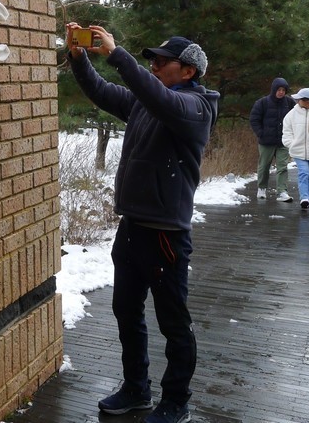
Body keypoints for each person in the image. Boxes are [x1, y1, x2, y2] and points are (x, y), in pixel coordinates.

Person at [66, 24, 219, 423]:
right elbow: (102, 92)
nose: (154, 65)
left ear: (188, 71)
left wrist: (118, 55)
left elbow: (161, 99)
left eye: (163, 61)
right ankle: (136, 388)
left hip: (167, 235)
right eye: (151, 60)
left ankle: (177, 401)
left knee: (173, 323)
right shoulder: (146, 101)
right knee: (126, 311)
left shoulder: (196, 108)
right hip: (132, 227)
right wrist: (79, 59)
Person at [249, 78, 295, 201]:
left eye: (283, 90)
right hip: (266, 141)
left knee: (282, 167)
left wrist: (292, 135)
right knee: (264, 166)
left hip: (283, 141)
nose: (281, 92)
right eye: (279, 90)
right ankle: (262, 188)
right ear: (274, 90)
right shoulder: (262, 103)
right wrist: (261, 133)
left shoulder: (290, 103)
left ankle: (282, 191)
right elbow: (254, 119)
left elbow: (296, 118)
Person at [281, 87, 309, 209]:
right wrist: (291, 144)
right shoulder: (291, 115)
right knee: (303, 173)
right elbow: (287, 132)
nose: (297, 101)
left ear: (308, 101)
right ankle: (304, 198)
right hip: (298, 151)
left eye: (299, 99)